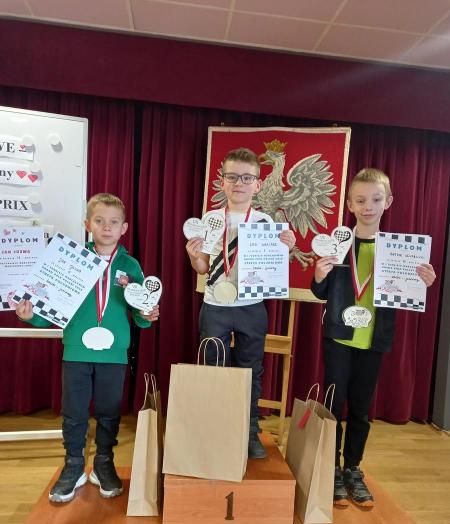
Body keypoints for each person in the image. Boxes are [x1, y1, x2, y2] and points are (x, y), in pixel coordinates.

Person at [16, 193, 159, 503]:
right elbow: (53, 306)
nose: (106, 227)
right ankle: (74, 465)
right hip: (76, 351)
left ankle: (104, 462)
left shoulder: (130, 266)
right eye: (99, 221)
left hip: (114, 353)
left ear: (124, 228)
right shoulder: (72, 260)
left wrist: (146, 315)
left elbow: (138, 310)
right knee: (74, 411)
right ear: (87, 224)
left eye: (114, 222)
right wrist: (31, 318)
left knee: (109, 412)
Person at [311, 168, 435, 507]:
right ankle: (330, 469)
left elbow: (408, 294)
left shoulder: (400, 251)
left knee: (362, 409)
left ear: (388, 202)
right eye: (361, 200)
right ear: (350, 204)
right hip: (339, 338)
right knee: (333, 406)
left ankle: (352, 467)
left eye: (376, 199)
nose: (369, 207)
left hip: (373, 341)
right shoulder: (338, 245)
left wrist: (422, 282)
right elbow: (320, 292)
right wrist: (319, 275)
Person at [186, 148, 295, 459]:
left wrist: (286, 250)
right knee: (214, 368)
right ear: (222, 181)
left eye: (247, 178)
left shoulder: (264, 221)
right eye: (232, 177)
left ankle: (249, 431)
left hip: (251, 306)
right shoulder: (209, 219)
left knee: (251, 370)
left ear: (257, 185)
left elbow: (273, 267)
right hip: (215, 306)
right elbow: (203, 268)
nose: (239, 183)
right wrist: (193, 256)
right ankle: (217, 429)